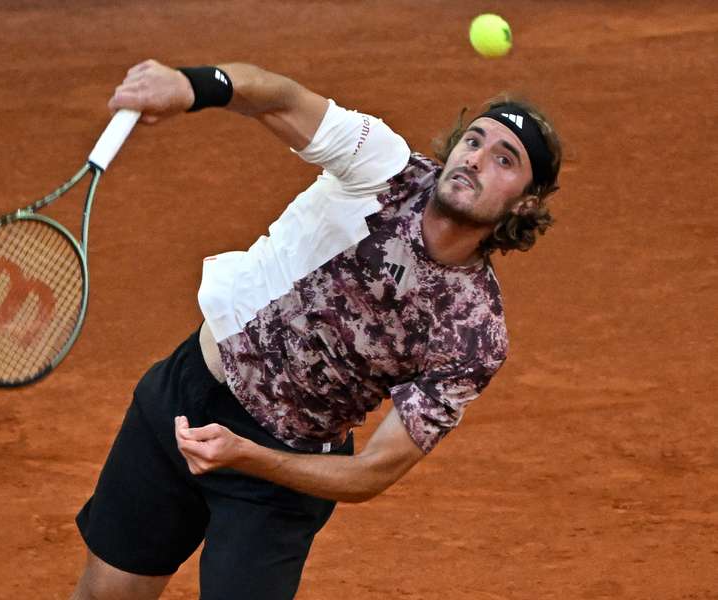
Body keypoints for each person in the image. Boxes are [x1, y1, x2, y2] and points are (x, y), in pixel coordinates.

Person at [70, 59, 562, 600]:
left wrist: (247, 456)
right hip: (183, 398)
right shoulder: (382, 166)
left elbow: (373, 470)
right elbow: (281, 99)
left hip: (279, 478)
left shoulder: (471, 331)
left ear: (526, 202)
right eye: (474, 140)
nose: (475, 159)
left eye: (503, 159)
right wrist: (193, 86)